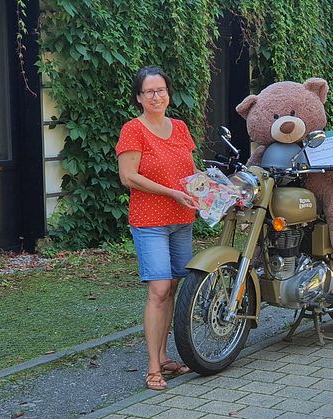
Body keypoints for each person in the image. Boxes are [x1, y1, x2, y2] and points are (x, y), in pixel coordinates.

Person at [116, 65, 199, 390]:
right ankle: (153, 367)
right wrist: (171, 192)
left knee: (173, 287)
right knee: (159, 289)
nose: (156, 96)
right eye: (149, 91)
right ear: (139, 97)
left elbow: (189, 172)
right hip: (150, 221)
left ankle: (164, 356)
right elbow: (129, 177)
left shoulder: (179, 127)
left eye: (161, 89)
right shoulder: (132, 130)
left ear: (168, 92)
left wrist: (209, 191)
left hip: (182, 220)